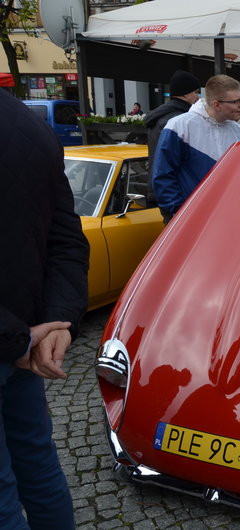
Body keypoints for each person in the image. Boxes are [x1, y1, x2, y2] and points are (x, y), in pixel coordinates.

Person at [1, 89, 90, 528]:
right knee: (37, 464)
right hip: (25, 337)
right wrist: (60, 320)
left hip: (20, 339)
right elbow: (66, 238)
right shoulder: (31, 123)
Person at [151, 74, 240, 223]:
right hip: (188, 216)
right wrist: (176, 211)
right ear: (217, 104)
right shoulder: (179, 126)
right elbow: (163, 174)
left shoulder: (237, 130)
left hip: (225, 215)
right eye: (236, 101)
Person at [144, 70, 201, 180]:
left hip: (159, 183)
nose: (198, 97)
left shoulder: (161, 115)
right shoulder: (178, 120)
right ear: (185, 93)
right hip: (172, 187)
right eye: (195, 92)